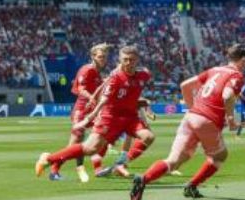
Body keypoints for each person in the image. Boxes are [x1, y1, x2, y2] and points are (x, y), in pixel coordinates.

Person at [130, 44, 245, 200]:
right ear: (242, 60)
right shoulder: (237, 75)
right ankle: (192, 186)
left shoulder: (214, 70)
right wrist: (231, 119)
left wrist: (192, 108)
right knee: (220, 156)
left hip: (191, 117)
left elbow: (185, 85)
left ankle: (143, 179)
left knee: (174, 161)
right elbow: (227, 96)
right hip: (207, 121)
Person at [35, 45, 155, 180]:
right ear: (120, 60)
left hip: (128, 117)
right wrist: (91, 114)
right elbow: (101, 97)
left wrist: (146, 105)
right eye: (125, 60)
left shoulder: (142, 76)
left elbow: (106, 89)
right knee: (88, 147)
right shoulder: (108, 75)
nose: (128, 63)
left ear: (137, 60)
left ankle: (118, 164)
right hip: (102, 114)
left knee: (147, 136)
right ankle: (49, 161)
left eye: (131, 60)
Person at [67, 43, 110, 182]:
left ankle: (97, 168)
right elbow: (81, 89)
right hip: (81, 110)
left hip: (92, 110)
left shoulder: (97, 73)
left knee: (104, 136)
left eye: (105, 57)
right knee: (75, 144)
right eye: (100, 56)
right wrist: (91, 97)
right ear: (93, 57)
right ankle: (52, 165)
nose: (103, 59)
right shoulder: (87, 70)